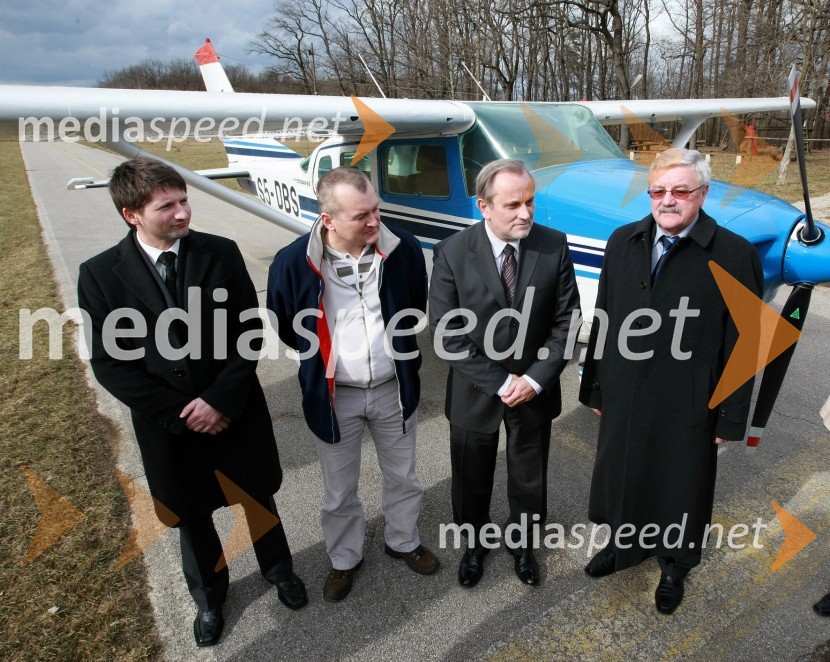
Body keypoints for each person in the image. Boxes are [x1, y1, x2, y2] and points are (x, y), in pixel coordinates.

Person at [77, 157, 306, 648]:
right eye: (167, 206)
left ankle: (279, 571)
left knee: (257, 497)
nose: (182, 212)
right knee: (191, 514)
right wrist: (183, 414)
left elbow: (248, 332)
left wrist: (219, 401)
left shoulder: (220, 253)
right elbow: (109, 363)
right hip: (170, 426)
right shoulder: (99, 275)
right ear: (132, 214)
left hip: (234, 410)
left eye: (184, 200)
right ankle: (209, 597)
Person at [579, 147, 763, 615]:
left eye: (680, 190)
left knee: (682, 484)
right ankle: (623, 546)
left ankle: (675, 564)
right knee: (623, 472)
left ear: (703, 193)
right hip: (625, 388)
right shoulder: (623, 240)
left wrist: (731, 414)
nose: (667, 200)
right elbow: (604, 314)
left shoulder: (735, 254)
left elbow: (746, 342)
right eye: (658, 190)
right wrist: (594, 384)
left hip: (690, 398)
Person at [267, 166, 438, 603]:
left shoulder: (403, 248)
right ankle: (344, 558)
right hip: (334, 396)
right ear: (328, 219)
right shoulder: (292, 262)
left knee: (403, 476)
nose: (374, 221)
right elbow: (289, 325)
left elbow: (413, 305)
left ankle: (403, 540)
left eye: (376, 209)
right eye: (361, 215)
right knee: (339, 489)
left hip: (392, 388)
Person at [428, 158, 580, 588]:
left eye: (530, 201)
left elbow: (567, 321)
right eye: (513, 204)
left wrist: (533, 379)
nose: (525, 213)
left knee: (529, 478)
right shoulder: (452, 252)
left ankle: (523, 544)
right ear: (484, 206)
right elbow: (446, 332)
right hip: (475, 390)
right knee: (470, 477)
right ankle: (474, 545)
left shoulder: (553, 245)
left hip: (534, 389)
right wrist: (500, 381)